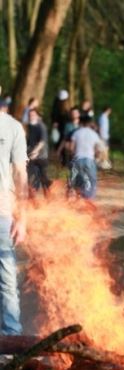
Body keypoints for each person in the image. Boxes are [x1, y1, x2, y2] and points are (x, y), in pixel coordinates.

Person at [0, 84, 28, 335]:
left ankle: (11, 340)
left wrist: (22, 217)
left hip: (2, 213)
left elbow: (21, 174)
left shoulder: (12, 127)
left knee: (6, 281)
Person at [68, 114, 102, 199]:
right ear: (90, 123)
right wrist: (96, 157)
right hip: (89, 161)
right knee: (92, 182)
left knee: (79, 183)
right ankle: (88, 203)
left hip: (78, 160)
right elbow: (98, 150)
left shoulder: (76, 133)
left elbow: (71, 148)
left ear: (81, 122)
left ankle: (79, 201)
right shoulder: (94, 134)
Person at [25, 108, 51, 195]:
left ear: (37, 116)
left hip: (41, 156)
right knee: (32, 177)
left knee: (44, 178)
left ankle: (48, 196)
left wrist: (34, 152)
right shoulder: (29, 127)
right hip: (31, 157)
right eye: (30, 115)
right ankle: (33, 198)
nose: (31, 116)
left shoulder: (41, 126)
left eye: (33, 115)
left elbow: (42, 142)